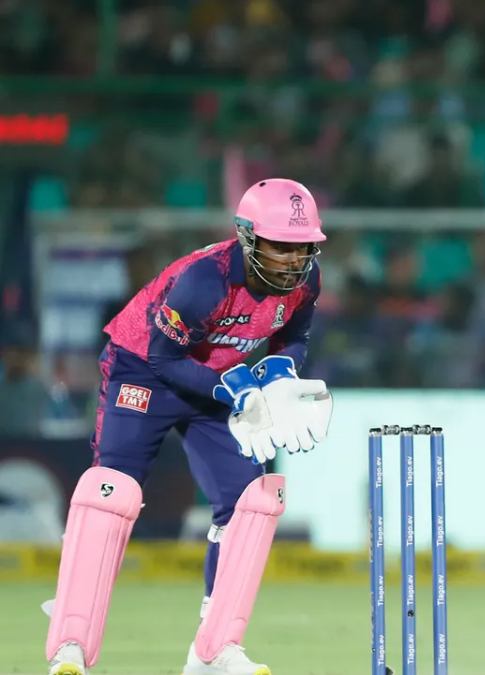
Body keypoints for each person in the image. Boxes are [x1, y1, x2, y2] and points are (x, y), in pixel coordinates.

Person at [44, 178, 334, 675]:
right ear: (247, 237)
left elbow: (295, 335)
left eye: (302, 247)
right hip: (145, 370)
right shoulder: (206, 280)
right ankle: (71, 641)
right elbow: (165, 358)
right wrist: (232, 390)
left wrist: (281, 373)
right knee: (110, 493)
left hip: (219, 381)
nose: (292, 260)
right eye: (280, 246)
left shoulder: (307, 280)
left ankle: (214, 649)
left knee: (252, 502)